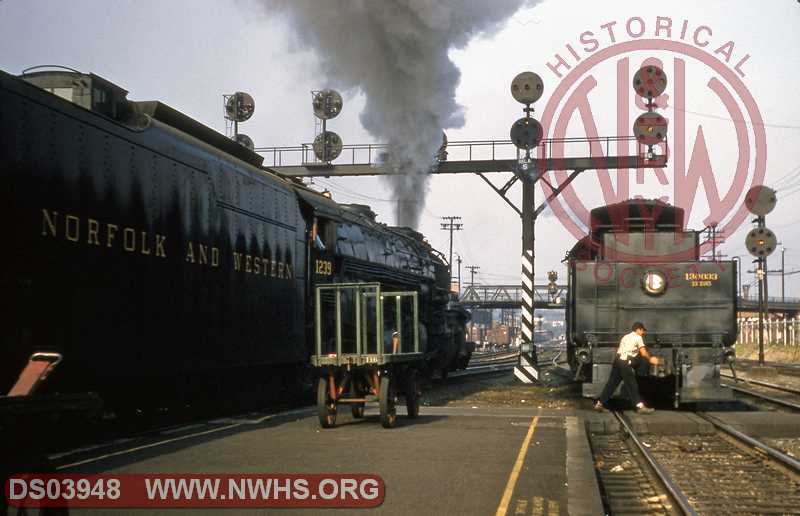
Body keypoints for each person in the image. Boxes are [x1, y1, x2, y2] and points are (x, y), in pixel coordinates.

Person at [594, 322, 659, 414]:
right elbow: (643, 353)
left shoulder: (625, 337)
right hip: (625, 362)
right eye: (642, 330)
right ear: (638, 329)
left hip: (617, 361)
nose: (643, 332)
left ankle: (599, 404)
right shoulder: (638, 337)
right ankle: (640, 407)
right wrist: (651, 358)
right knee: (632, 384)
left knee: (611, 384)